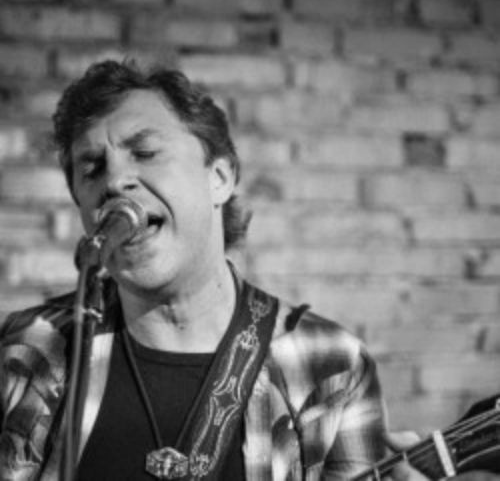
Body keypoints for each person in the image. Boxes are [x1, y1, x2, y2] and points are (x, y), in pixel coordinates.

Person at [0, 60, 496, 481]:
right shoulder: (28, 347)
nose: (115, 180)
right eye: (92, 168)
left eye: (144, 153)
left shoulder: (329, 364)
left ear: (219, 177)